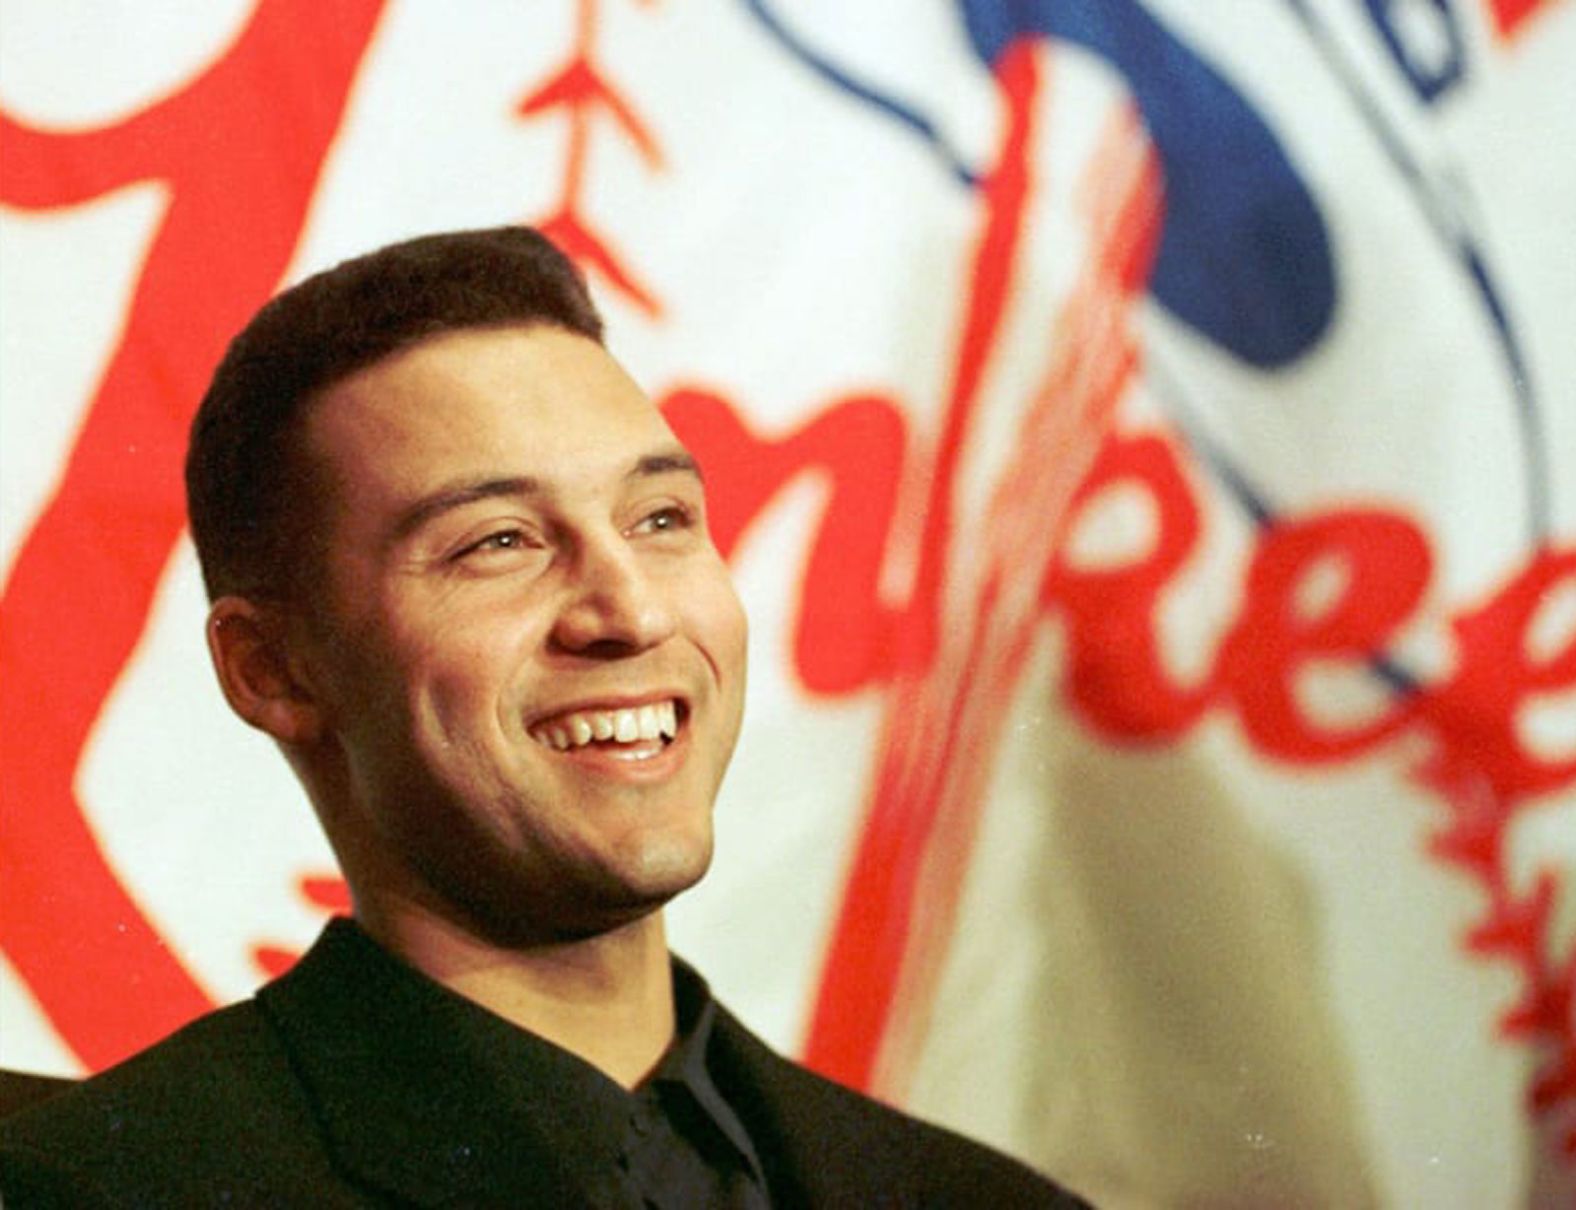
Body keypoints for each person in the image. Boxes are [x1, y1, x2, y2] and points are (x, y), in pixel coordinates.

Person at [0, 227, 1088, 1207]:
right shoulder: (107, 1186)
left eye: (660, 518)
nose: (632, 607)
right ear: (272, 669)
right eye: (499, 542)